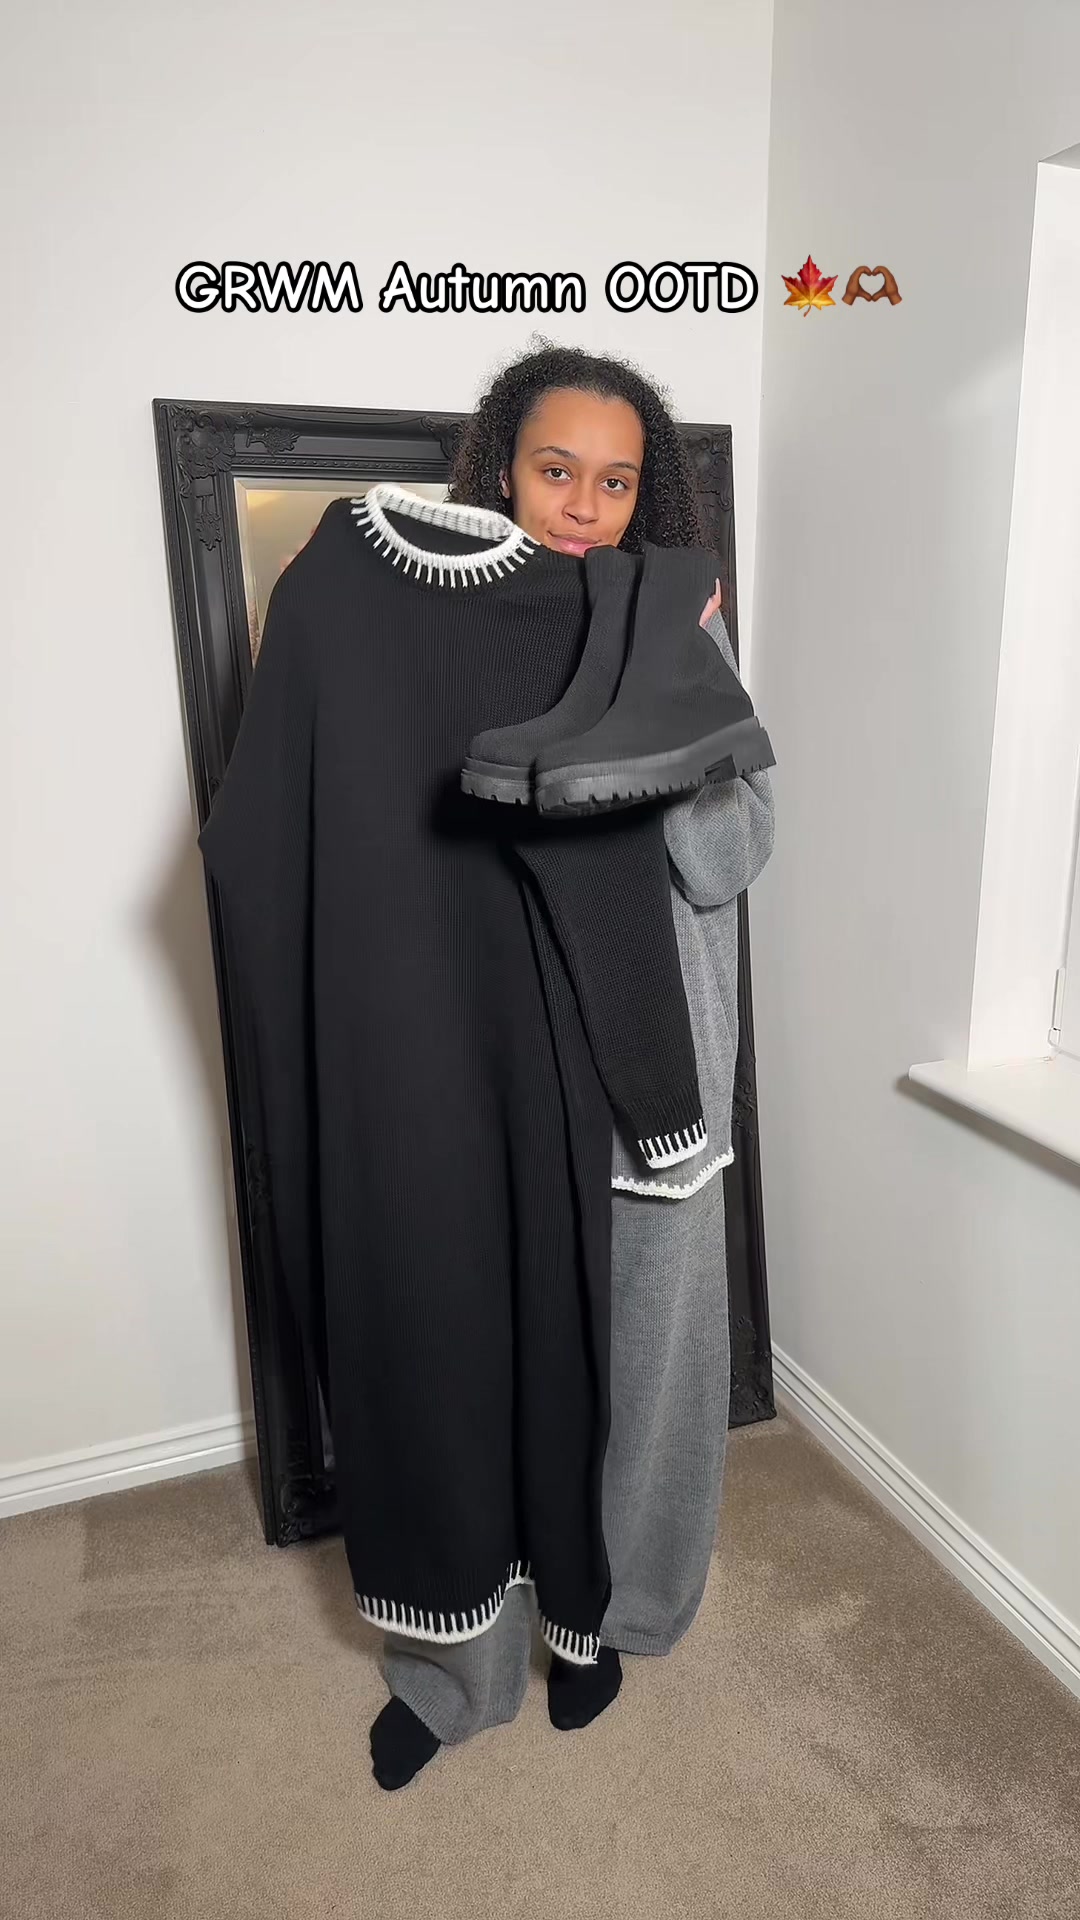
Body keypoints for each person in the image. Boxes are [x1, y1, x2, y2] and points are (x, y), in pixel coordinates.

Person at [370, 341, 775, 1790]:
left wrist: (658, 727)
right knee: (468, 1374)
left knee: (652, 1377)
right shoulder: (431, 631)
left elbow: (735, 857)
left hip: (649, 1085)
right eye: (557, 471)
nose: (585, 506)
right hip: (482, 1078)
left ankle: (613, 1623)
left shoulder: (677, 629)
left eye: (615, 479)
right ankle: (453, 1670)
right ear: (502, 469)